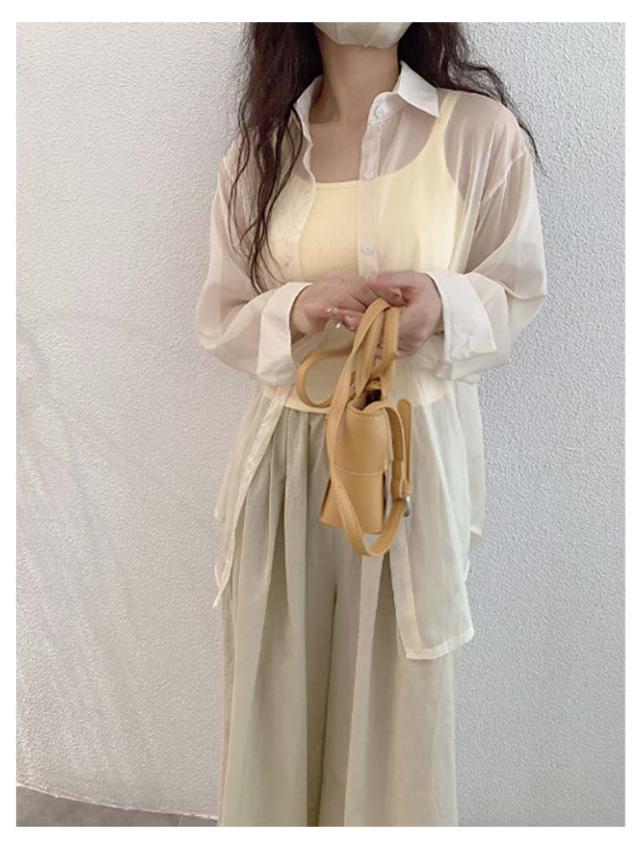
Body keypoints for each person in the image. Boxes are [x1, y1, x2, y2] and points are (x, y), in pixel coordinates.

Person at [195, 22, 547, 826]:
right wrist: (300, 305)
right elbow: (221, 318)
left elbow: (518, 289)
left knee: (398, 718)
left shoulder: (478, 136)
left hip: (409, 473)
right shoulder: (259, 154)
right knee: (275, 710)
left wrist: (439, 304)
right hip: (285, 471)